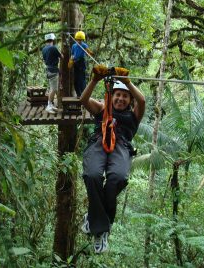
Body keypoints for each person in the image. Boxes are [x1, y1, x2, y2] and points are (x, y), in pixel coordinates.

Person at [79, 65, 146, 253]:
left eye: (125, 96)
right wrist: (95, 80)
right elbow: (83, 100)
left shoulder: (133, 116)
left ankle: (94, 220)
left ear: (129, 101)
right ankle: (101, 228)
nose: (120, 98)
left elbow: (142, 100)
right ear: (111, 95)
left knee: (118, 178)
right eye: (117, 94)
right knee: (92, 175)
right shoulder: (101, 108)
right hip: (99, 142)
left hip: (121, 146)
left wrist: (128, 83)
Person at [42, 33, 63, 113]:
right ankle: (49, 105)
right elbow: (62, 56)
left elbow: (44, 59)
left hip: (48, 69)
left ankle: (53, 104)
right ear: (53, 40)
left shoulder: (43, 49)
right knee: (53, 88)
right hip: (53, 70)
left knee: (55, 87)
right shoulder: (53, 48)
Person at [68, 31, 93, 97]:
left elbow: (89, 52)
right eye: (78, 40)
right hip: (75, 62)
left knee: (82, 79)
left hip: (81, 62)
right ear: (76, 39)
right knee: (76, 80)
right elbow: (72, 54)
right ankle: (78, 94)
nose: (79, 41)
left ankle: (83, 94)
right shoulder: (74, 46)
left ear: (82, 40)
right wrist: (71, 60)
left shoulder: (84, 45)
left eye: (80, 40)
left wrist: (90, 52)